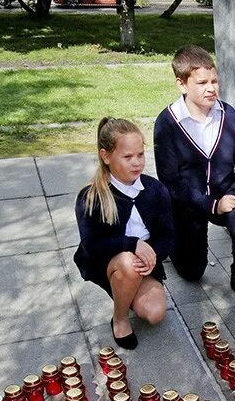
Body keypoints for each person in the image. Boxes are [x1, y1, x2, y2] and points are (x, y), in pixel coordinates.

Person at [153, 45, 235, 306]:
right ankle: (170, 241)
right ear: (182, 85)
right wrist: (211, 204)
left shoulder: (228, 114)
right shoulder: (167, 124)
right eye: (202, 82)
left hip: (227, 195)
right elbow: (170, 181)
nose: (211, 88)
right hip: (187, 206)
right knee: (192, 272)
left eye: (214, 80)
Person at [74, 117, 173, 350]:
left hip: (141, 263)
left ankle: (128, 288)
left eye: (140, 155)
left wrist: (153, 256)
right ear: (106, 156)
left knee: (155, 313)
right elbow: (92, 245)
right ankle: (119, 319)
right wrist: (132, 244)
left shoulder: (155, 190)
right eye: (127, 157)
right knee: (128, 262)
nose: (136, 163)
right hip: (107, 262)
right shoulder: (91, 196)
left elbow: (168, 236)